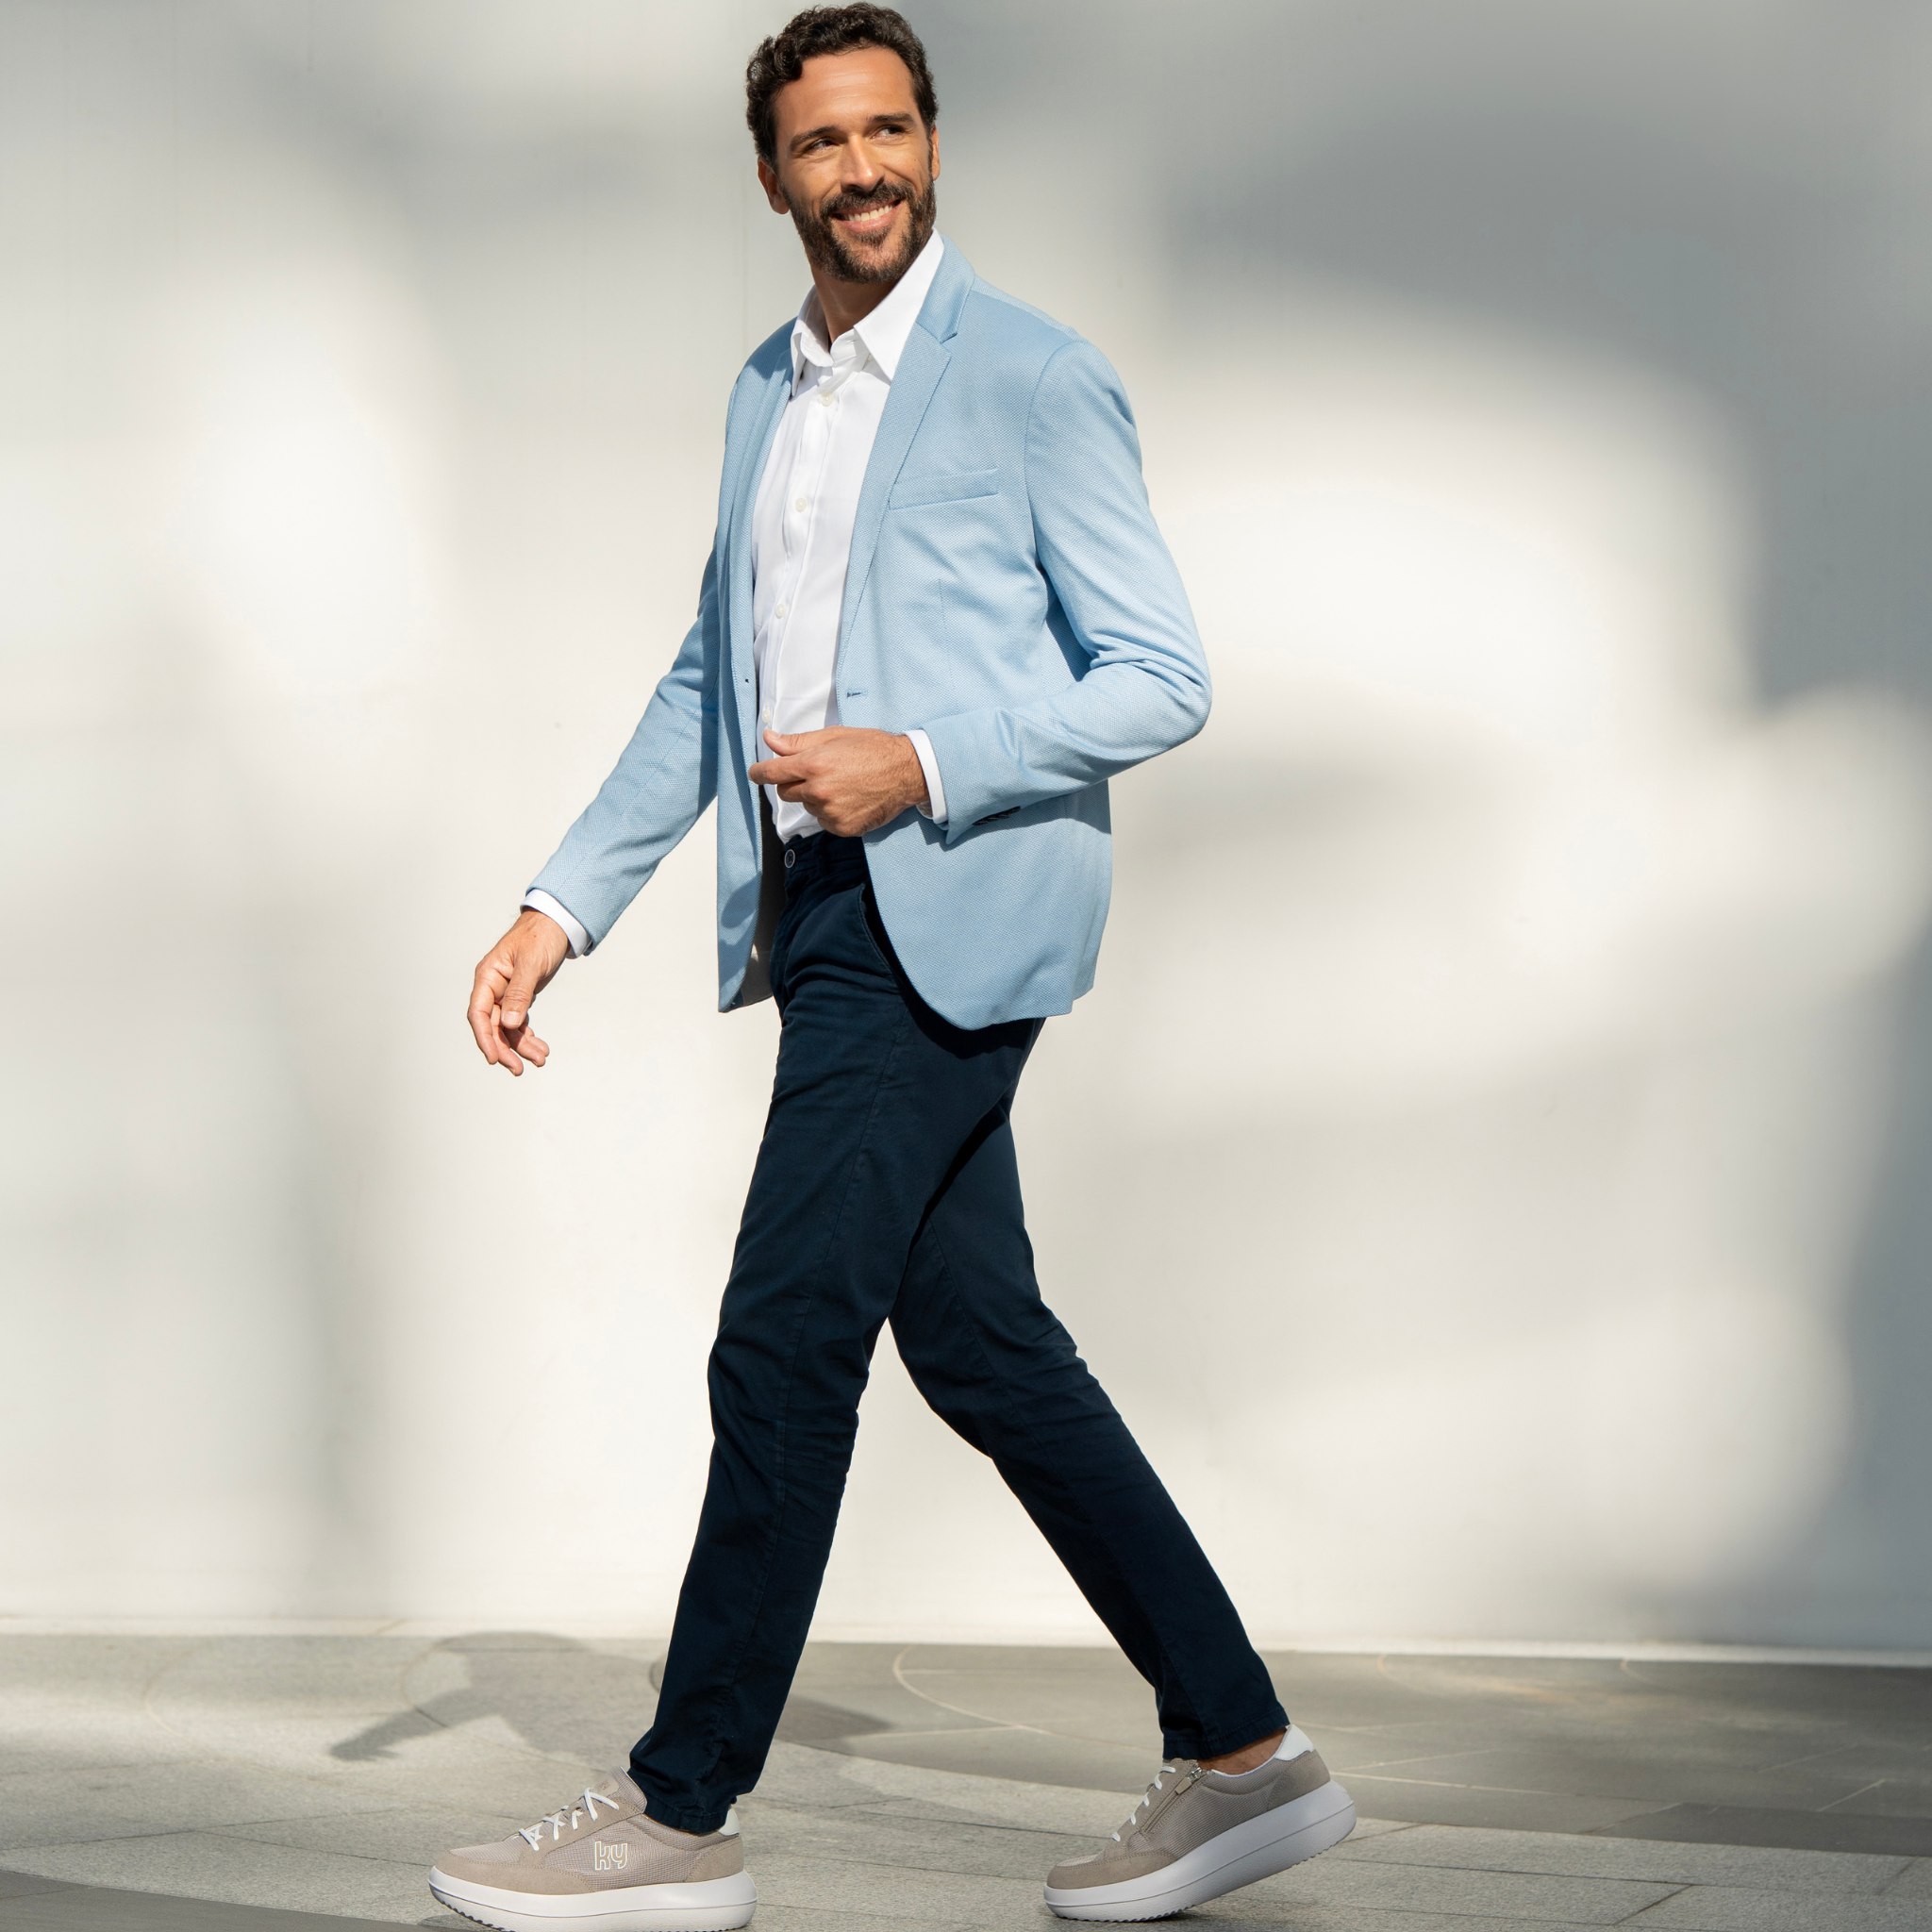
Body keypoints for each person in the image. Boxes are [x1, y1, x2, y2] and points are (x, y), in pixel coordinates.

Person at [432, 8, 1354, 1927]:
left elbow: (1159, 674)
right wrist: (558, 904)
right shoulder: (763, 393)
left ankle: (678, 1816)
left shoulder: (1032, 379)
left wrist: (917, 760)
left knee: (782, 1341)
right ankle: (1247, 1754)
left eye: (889, 131)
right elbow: (711, 674)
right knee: (985, 1347)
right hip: (815, 912)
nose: (863, 170)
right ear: (769, 174)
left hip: (937, 909)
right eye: (823, 143)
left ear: (932, 139)